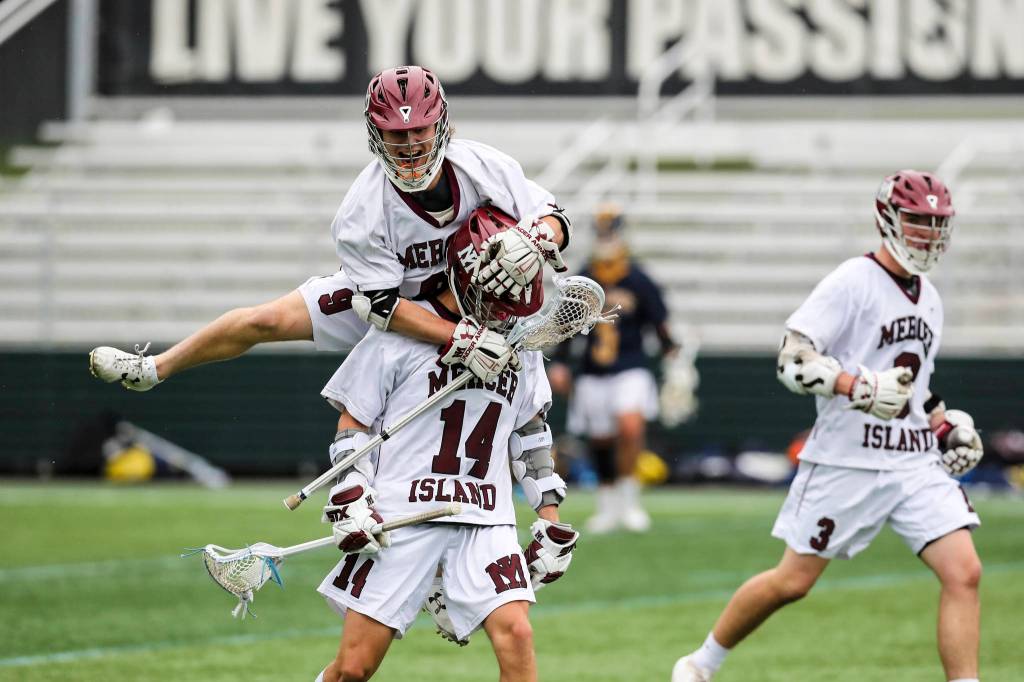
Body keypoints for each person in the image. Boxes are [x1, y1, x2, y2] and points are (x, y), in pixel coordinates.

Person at [672, 170, 985, 682]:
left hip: (912, 461)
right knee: (792, 582)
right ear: (888, 219)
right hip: (848, 459)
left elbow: (917, 387)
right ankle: (699, 664)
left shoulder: (930, 296)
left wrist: (943, 425)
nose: (928, 235)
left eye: (936, 224)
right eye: (917, 221)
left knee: (965, 571)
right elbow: (792, 358)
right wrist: (855, 386)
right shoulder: (853, 280)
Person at [89, 65, 572, 389]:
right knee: (264, 321)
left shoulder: (484, 167)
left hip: (479, 302)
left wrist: (535, 239)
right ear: (376, 134)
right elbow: (382, 307)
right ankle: (154, 368)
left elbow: (556, 218)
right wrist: (458, 340)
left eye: (418, 130)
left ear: (441, 124)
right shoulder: (363, 209)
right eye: (396, 134)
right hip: (400, 300)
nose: (409, 144)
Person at [313, 207, 579, 682]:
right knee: (353, 668)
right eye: (498, 293)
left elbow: (530, 434)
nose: (506, 308)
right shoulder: (402, 334)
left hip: (485, 516)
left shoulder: (521, 347)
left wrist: (549, 517)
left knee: (517, 634)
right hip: (403, 512)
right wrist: (351, 490)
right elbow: (354, 420)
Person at [548, 205, 678, 533]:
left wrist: (671, 350)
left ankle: (629, 500)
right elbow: (566, 324)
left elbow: (659, 321)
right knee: (601, 439)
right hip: (593, 370)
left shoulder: (638, 278)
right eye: (602, 233)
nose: (606, 240)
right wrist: (560, 363)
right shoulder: (585, 277)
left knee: (630, 426)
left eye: (611, 233)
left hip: (631, 365)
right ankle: (607, 504)